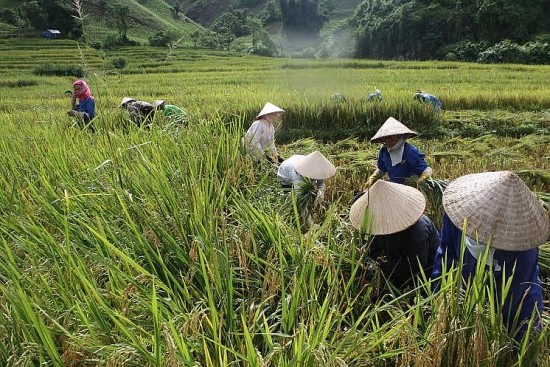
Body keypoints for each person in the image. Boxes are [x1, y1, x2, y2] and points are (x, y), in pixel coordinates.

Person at [431, 171, 549, 342]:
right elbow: (445, 255)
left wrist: (487, 320)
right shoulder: (457, 218)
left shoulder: (522, 246)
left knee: (520, 344)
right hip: (470, 285)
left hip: (519, 304)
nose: (483, 229)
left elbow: (515, 294)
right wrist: (439, 293)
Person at [350, 180, 439, 290]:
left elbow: (415, 266)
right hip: (398, 260)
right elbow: (373, 247)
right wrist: (368, 263)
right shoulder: (379, 221)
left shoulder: (417, 230)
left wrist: (380, 269)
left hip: (426, 273)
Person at [365, 116, 432, 188]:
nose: (392, 140)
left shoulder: (409, 151)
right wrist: (374, 177)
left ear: (399, 137)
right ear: (383, 139)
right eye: (388, 137)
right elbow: (382, 169)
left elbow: (426, 170)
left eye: (395, 137)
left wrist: (421, 183)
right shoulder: (384, 151)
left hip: (410, 188)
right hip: (394, 188)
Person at [278, 151, 336, 231]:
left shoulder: (316, 166)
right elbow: (301, 199)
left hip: (297, 159)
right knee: (293, 200)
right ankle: (293, 218)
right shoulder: (296, 175)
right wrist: (310, 224)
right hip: (285, 178)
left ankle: (310, 211)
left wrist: (321, 192)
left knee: (311, 194)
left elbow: (321, 182)